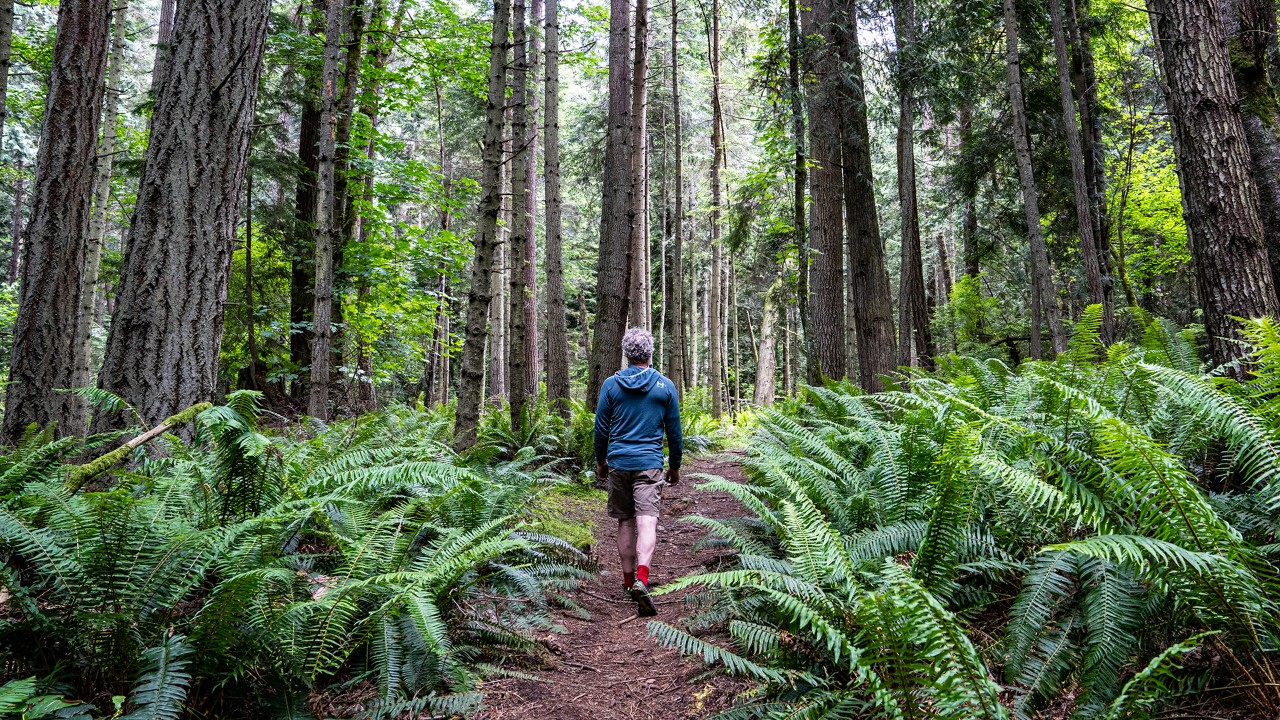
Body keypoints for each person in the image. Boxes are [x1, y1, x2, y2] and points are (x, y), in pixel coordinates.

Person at [594, 327, 682, 617]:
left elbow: (601, 429)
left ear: (626, 353)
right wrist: (674, 466)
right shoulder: (665, 386)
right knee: (647, 522)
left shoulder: (611, 385)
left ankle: (628, 580)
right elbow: (674, 433)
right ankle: (643, 578)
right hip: (649, 463)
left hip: (619, 463)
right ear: (650, 352)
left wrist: (601, 460)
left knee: (625, 522)